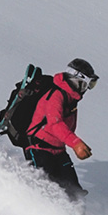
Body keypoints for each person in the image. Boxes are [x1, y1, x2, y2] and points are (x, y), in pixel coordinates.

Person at [22, 58, 99, 200]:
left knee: (74, 190)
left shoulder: (72, 99)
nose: (86, 89)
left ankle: (77, 211)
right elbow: (55, 124)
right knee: (45, 187)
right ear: (76, 80)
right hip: (39, 148)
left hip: (58, 151)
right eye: (85, 85)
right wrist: (75, 143)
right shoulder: (56, 95)